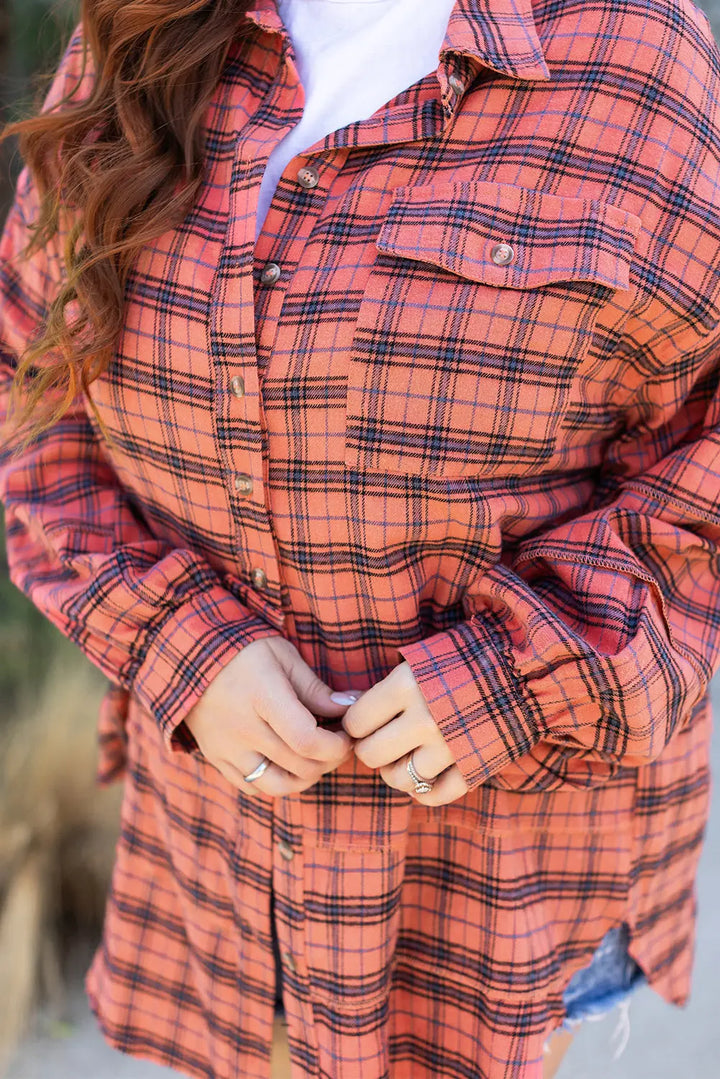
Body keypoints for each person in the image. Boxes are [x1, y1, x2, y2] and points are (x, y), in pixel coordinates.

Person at [1, 0, 719, 1076]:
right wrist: (178, 642)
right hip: (224, 858)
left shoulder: (636, 57)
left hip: (502, 877)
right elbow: (28, 387)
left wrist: (513, 680)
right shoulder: (144, 28)